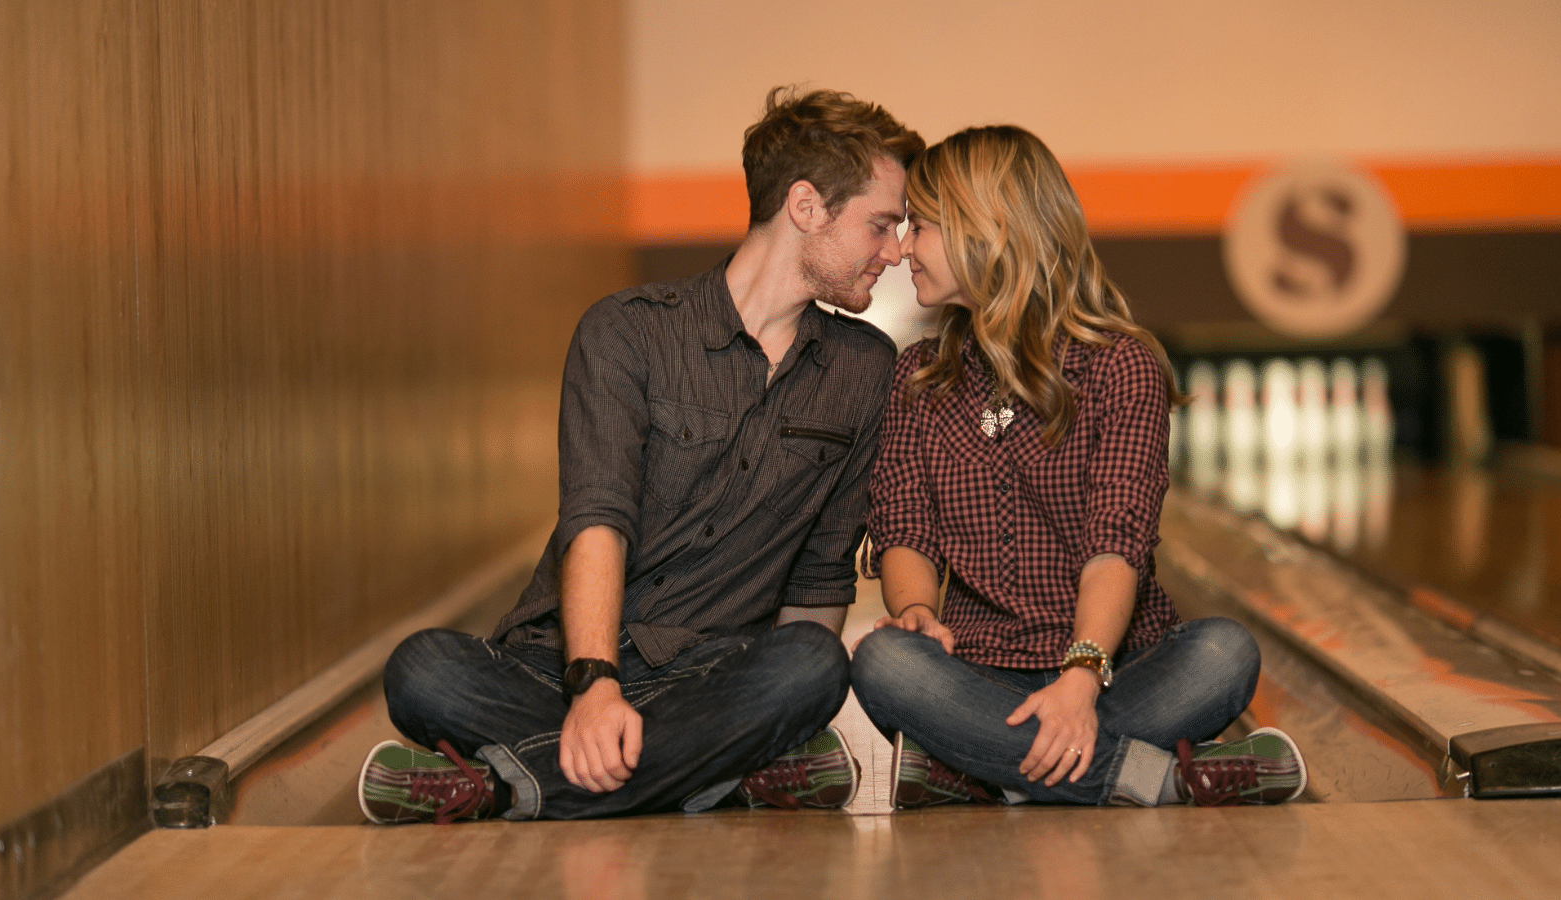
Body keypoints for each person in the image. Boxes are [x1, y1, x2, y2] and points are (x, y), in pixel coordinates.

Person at [358, 87, 924, 823]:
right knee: (422, 670)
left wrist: (784, 711)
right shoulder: (625, 333)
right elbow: (597, 519)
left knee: (814, 668)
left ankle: (502, 787)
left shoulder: (866, 370)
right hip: (558, 669)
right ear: (806, 206)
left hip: (715, 676)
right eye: (881, 225)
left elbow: (817, 585)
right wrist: (594, 686)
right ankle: (713, 773)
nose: (896, 249)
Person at [850, 125, 1307, 809]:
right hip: (977, 678)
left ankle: (984, 769)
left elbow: (1114, 546)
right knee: (884, 661)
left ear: (991, 230)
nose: (904, 247)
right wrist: (916, 610)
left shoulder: (1122, 367)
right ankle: (1154, 779)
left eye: (923, 226)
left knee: (1223, 654)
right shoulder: (917, 377)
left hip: (1118, 672)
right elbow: (905, 530)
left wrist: (1081, 676)